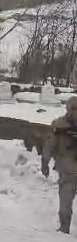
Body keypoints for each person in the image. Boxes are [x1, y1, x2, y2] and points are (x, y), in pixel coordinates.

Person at [41, 96, 77, 234]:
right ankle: (64, 229)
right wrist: (45, 161)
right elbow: (50, 144)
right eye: (73, 109)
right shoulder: (59, 126)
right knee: (65, 205)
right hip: (67, 171)